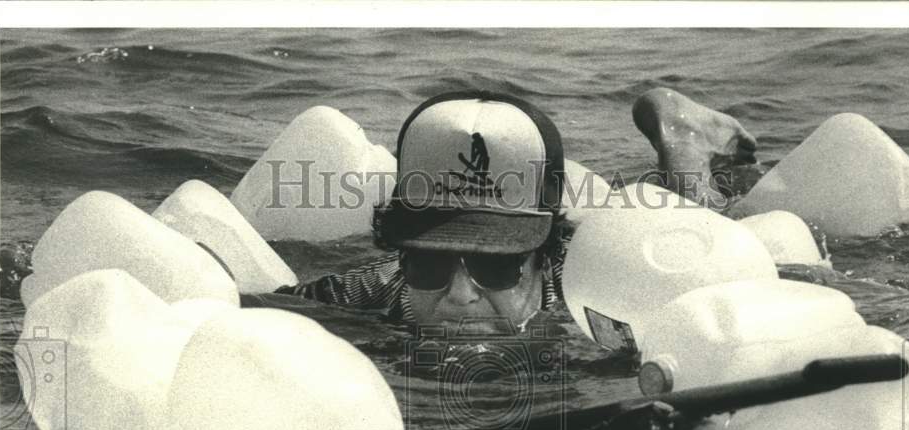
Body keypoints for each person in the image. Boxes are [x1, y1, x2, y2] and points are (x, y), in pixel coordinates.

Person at [275, 88, 756, 332]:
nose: (459, 295)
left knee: (694, 242)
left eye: (497, 264)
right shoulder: (366, 291)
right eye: (428, 263)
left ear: (545, 255)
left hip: (614, 248)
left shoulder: (588, 289)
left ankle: (686, 143)